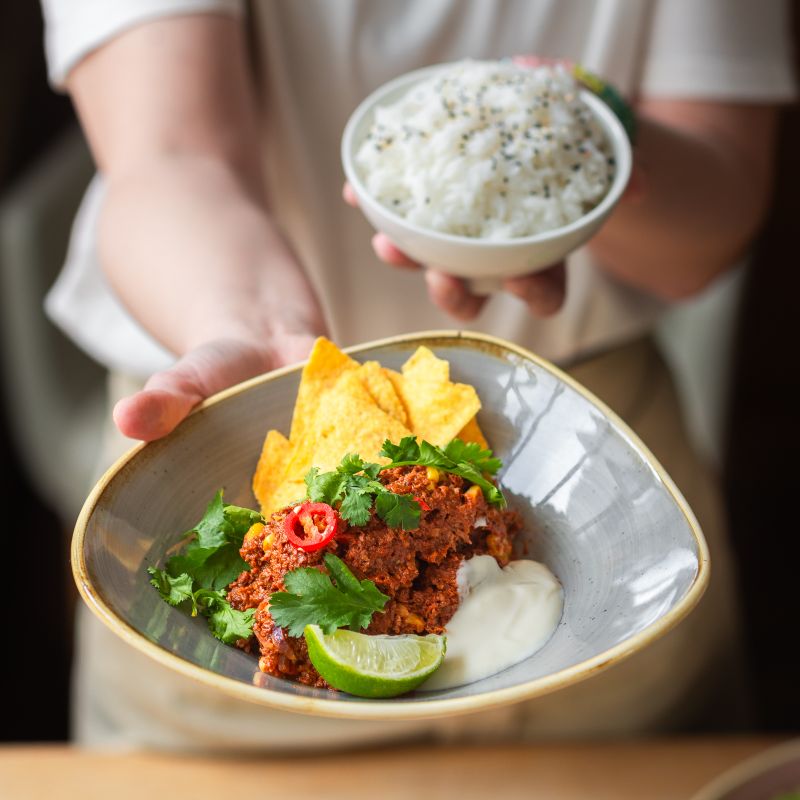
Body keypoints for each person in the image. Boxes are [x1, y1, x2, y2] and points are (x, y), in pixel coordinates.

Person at [41, 0, 795, 750]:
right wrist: (253, 325)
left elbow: (719, 208)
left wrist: (593, 144)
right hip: (235, 437)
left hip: (595, 485)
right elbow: (166, 155)